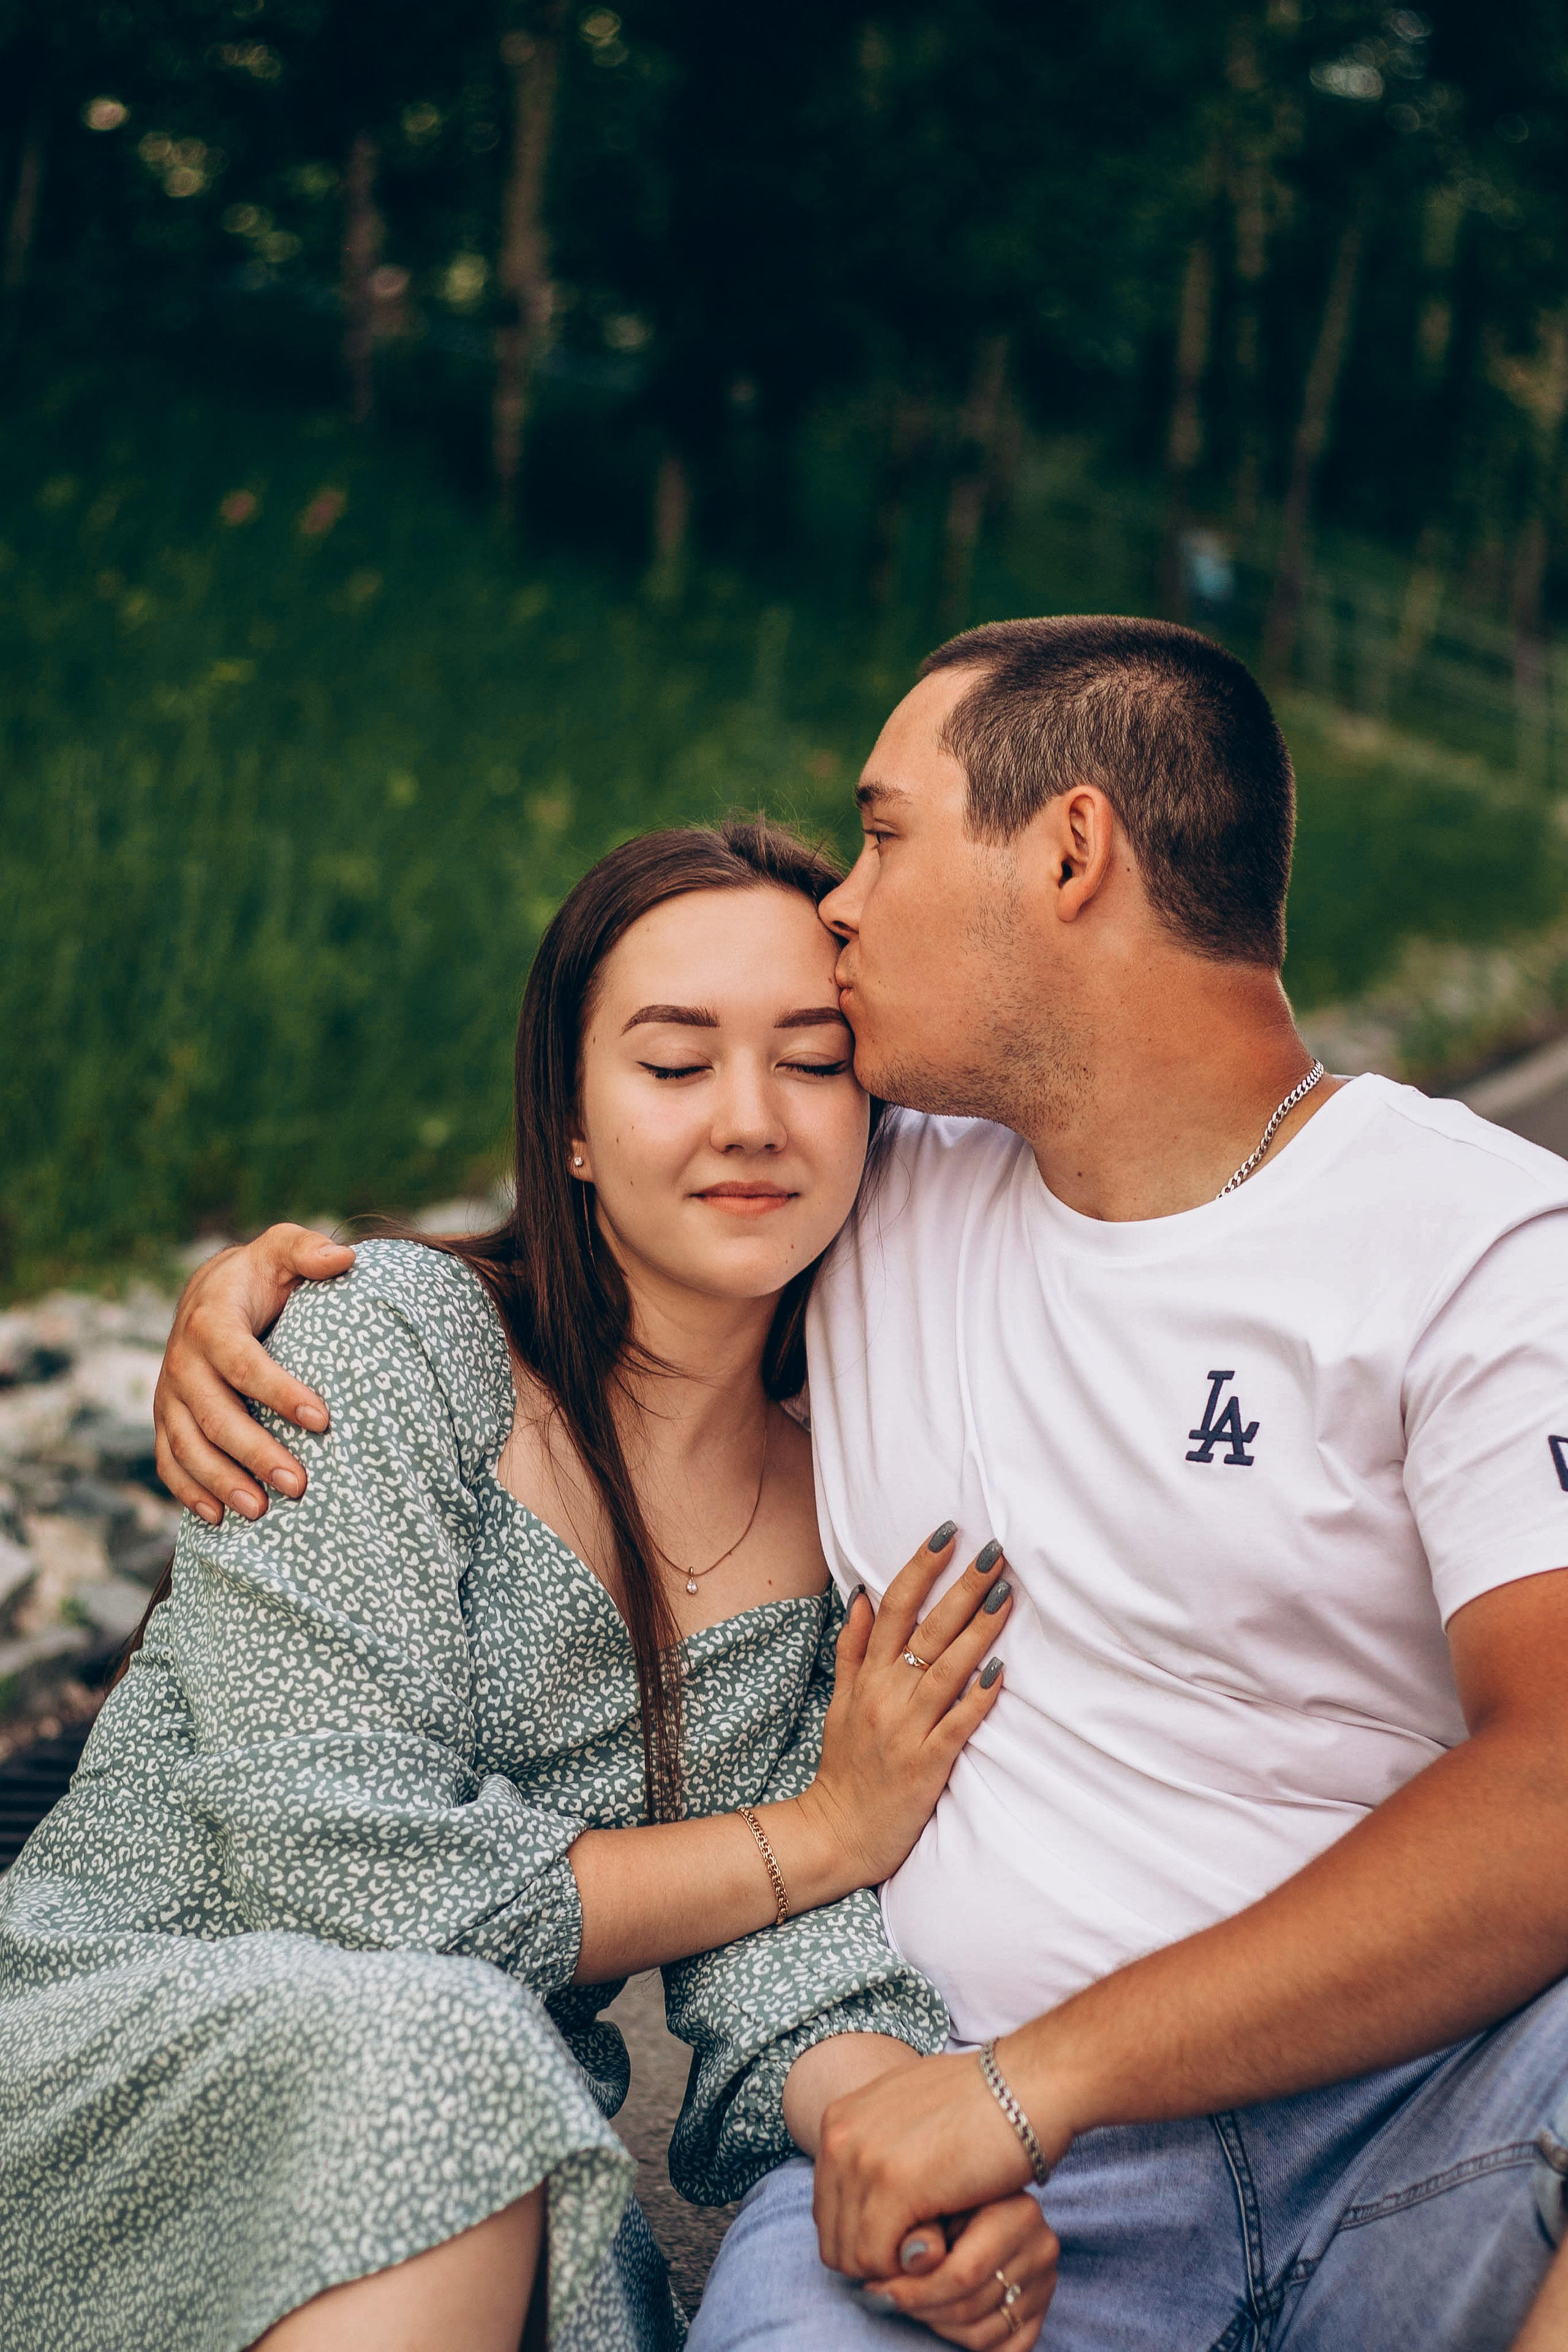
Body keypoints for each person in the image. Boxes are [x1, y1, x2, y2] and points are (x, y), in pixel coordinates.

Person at [164, 618, 1568, 2350]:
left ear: (1070, 851)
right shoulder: (880, 1185)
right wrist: (277, 1294)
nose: (843, 901)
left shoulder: (1483, 1248)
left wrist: (1040, 2082)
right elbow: (643, 1214)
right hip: (970, 2150)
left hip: (1415, 2112)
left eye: (884, 834)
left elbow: (1553, 1785)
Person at [0, 817, 1064, 2352]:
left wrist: (913, 2147)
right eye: (675, 1063)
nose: (750, 1120)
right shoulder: (386, 1348)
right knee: (453, 2060)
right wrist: (821, 1830)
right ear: (568, 1122)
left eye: (811, 1062)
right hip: (127, 2060)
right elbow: (343, 1872)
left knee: (479, 2092)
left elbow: (787, 1961)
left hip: (471, 2131)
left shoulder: (848, 1506)